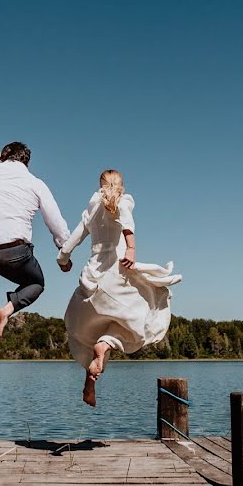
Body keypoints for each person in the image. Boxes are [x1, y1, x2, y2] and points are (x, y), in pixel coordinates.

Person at [57, 170, 181, 406]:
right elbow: (127, 223)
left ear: (99, 185)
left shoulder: (92, 208)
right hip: (117, 277)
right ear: (121, 185)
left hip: (91, 283)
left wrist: (63, 259)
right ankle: (104, 346)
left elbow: (73, 239)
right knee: (140, 320)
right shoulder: (123, 201)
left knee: (91, 335)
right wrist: (131, 249)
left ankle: (89, 385)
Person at [0, 142, 70, 342]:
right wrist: (64, 254)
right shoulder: (36, 184)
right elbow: (57, 224)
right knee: (36, 283)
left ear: (4, 157)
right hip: (13, 254)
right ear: (27, 162)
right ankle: (6, 310)